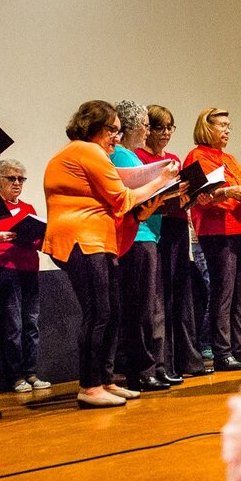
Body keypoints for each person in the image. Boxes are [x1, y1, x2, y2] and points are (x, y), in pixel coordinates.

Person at [42, 100, 176, 409]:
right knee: (99, 314)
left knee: (111, 311)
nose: (117, 136)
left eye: (118, 130)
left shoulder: (84, 153)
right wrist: (161, 181)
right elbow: (122, 198)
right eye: (111, 130)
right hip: (83, 240)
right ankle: (90, 386)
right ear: (92, 127)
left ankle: (104, 379)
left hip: (96, 241)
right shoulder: (87, 151)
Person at [135, 105, 211, 378]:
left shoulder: (173, 159)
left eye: (170, 127)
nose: (166, 133)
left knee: (182, 292)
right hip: (157, 227)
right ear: (148, 130)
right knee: (161, 295)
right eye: (160, 127)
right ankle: (163, 363)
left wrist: (193, 195)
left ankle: (188, 360)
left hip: (178, 225)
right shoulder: (140, 158)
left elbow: (181, 197)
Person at [185, 108, 241, 371]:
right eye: (222, 126)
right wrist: (228, 192)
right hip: (220, 231)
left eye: (229, 125)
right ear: (207, 128)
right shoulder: (197, 156)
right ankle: (222, 351)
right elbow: (202, 197)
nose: (227, 130)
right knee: (224, 292)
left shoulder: (228, 157)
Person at [110, 100, 172, 392]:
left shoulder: (131, 155)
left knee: (151, 307)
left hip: (147, 235)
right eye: (146, 125)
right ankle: (142, 370)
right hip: (136, 237)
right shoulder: (121, 156)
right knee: (141, 308)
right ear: (132, 126)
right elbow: (132, 195)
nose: (148, 131)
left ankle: (154, 367)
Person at [0, 158, 52, 393]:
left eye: (21, 179)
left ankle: (31, 373)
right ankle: (16, 377)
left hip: (29, 269)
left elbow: (38, 239)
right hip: (4, 270)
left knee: (31, 323)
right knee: (13, 326)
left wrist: (39, 238)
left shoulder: (28, 208)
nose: (17, 183)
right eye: (12, 178)